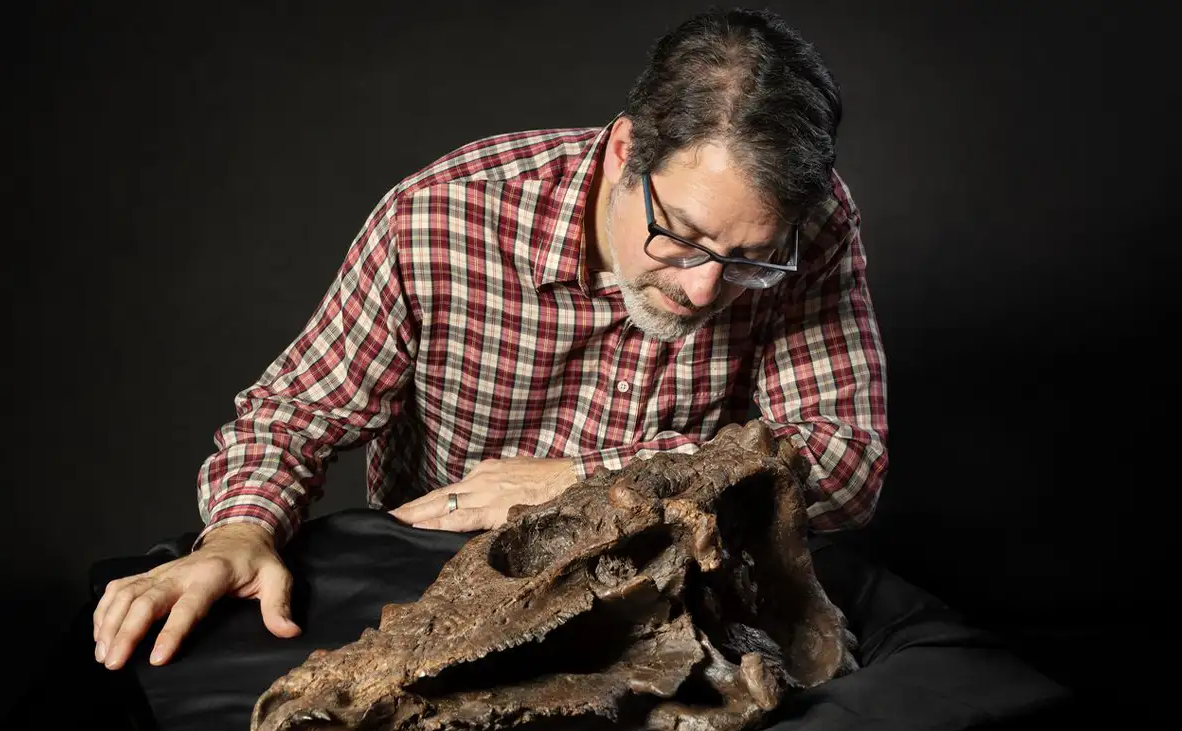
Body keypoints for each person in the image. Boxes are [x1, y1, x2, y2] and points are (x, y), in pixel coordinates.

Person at [92, 7, 888, 672]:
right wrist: (238, 531)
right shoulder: (439, 219)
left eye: (749, 260)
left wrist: (590, 482)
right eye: (680, 236)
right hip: (456, 600)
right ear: (622, 153)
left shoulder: (807, 226)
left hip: (675, 596)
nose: (705, 290)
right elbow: (292, 415)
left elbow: (846, 462)